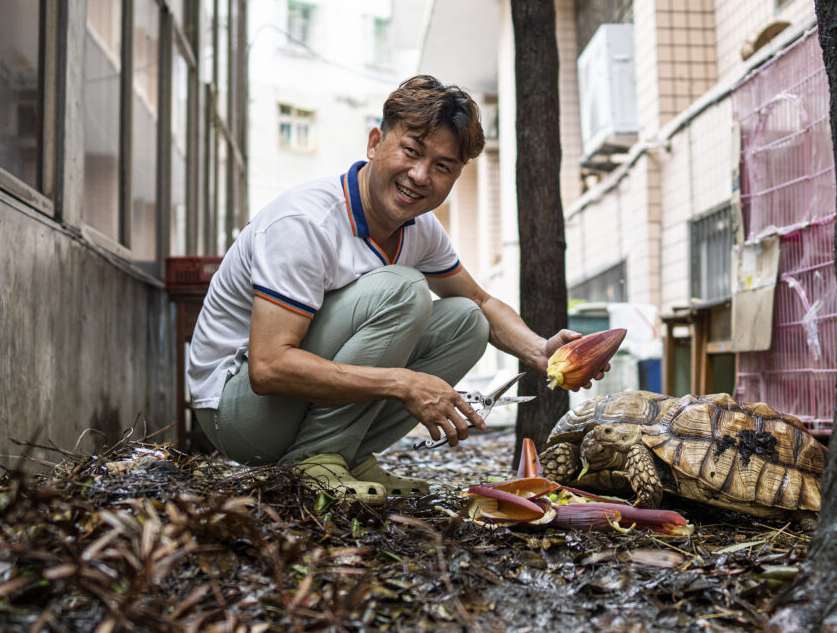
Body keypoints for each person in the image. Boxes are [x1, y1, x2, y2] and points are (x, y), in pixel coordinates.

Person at [187, 74, 601, 504]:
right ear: (374, 144)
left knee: (467, 320)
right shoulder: (305, 223)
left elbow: (480, 301)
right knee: (403, 289)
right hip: (237, 414)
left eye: (443, 167)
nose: (420, 176)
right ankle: (315, 460)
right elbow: (269, 367)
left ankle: (342, 455)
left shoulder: (420, 228)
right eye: (412, 151)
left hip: (286, 410)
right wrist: (403, 383)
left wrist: (540, 352)